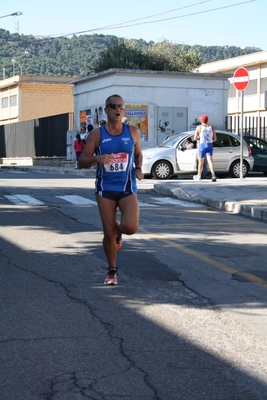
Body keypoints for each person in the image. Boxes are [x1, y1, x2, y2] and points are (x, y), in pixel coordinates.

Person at [78, 94, 143, 285]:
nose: (118, 109)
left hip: (127, 187)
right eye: (113, 106)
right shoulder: (97, 135)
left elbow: (139, 154)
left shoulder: (132, 132)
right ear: (106, 110)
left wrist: (139, 169)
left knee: (131, 227)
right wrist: (96, 159)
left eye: (121, 106)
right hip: (105, 189)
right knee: (108, 233)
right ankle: (112, 271)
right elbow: (81, 161)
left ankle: (119, 231)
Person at [193, 115, 217, 182]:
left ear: (201, 120)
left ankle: (199, 176)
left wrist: (199, 138)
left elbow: (195, 138)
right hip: (209, 144)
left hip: (202, 145)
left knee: (201, 162)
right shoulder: (212, 128)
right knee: (210, 161)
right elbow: (215, 139)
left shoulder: (199, 127)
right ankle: (213, 175)